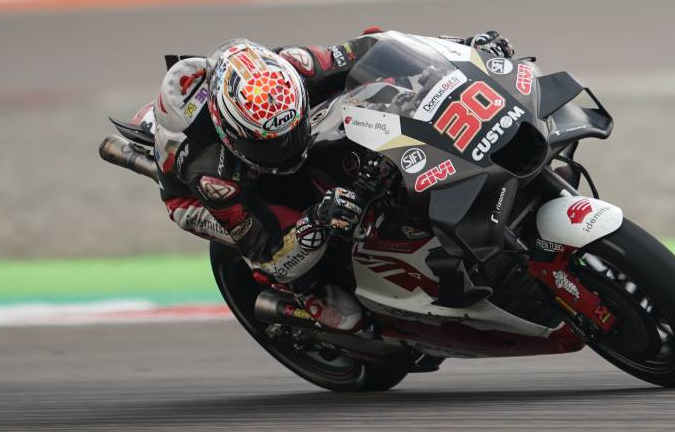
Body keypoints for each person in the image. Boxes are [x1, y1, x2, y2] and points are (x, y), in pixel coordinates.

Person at [151, 28, 514, 333]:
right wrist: (317, 219)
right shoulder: (212, 176)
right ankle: (307, 293)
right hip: (203, 202)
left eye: (291, 134)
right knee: (341, 310)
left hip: (268, 125)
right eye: (270, 145)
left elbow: (378, 46)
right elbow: (265, 250)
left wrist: (463, 47)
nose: (286, 149)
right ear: (230, 134)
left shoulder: (296, 66)